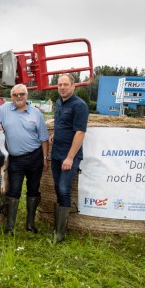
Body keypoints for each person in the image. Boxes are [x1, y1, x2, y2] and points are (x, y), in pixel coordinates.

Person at [0, 83, 49, 234]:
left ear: (27, 96)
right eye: (15, 94)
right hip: (16, 159)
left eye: (22, 94)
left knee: (33, 189)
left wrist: (45, 158)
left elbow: (44, 138)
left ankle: (30, 224)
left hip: (35, 157)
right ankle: (10, 226)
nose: (18, 97)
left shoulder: (36, 113)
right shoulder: (3, 109)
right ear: (11, 96)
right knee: (14, 190)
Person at [49, 74, 88, 242]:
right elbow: (61, 124)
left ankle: (60, 233)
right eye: (60, 85)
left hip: (68, 156)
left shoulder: (80, 106)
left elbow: (80, 132)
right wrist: (55, 135)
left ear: (73, 86)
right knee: (58, 188)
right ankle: (58, 228)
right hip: (56, 153)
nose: (62, 87)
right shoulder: (59, 103)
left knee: (64, 189)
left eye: (66, 84)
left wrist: (70, 157)